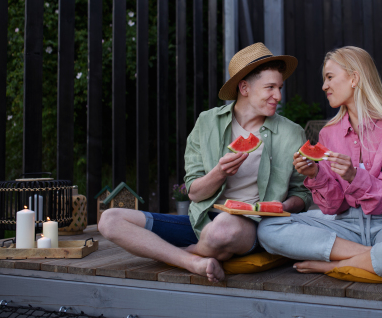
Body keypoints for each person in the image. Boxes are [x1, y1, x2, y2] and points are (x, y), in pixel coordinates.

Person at [98, 43, 312, 282]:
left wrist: (283, 207)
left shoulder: (291, 133)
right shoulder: (207, 122)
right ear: (244, 88)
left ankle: (180, 255)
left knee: (222, 228)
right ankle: (193, 261)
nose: (279, 96)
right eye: (270, 87)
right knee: (110, 220)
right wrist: (219, 173)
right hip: (200, 220)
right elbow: (194, 193)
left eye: (280, 87)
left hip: (249, 226)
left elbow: (302, 194)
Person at [257, 46, 382, 277]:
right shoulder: (329, 133)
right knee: (269, 228)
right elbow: (333, 207)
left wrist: (354, 176)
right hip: (346, 223)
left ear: (354, 78)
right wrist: (316, 175)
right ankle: (369, 256)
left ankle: (336, 265)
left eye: (329, 77)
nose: (324, 86)